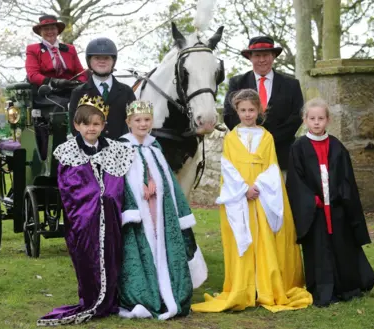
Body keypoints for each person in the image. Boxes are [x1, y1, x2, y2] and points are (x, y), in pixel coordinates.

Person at [191, 89, 312, 314]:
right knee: (243, 238)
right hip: (240, 194)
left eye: (252, 110)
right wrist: (244, 189)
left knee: (263, 238)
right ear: (236, 111)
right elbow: (227, 167)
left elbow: (272, 166)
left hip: (262, 194)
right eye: (243, 110)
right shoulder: (231, 138)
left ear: (259, 110)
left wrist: (258, 187)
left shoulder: (266, 137)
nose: (247, 114)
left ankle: (264, 285)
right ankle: (245, 285)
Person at [37, 95, 135, 326]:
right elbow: (71, 187)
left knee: (112, 256)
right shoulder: (69, 151)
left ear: (103, 125)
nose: (91, 128)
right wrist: (96, 196)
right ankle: (92, 299)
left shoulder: (114, 150)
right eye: (86, 124)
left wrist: (108, 196)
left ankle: (110, 300)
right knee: (87, 258)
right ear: (76, 125)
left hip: (110, 218)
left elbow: (119, 181)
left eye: (96, 124)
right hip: (84, 219)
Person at [118, 101, 207, 320]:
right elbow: (119, 181)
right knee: (144, 249)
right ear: (129, 122)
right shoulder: (121, 147)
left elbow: (167, 179)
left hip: (159, 210)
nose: (142, 124)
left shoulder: (155, 147)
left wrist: (157, 185)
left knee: (161, 246)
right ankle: (147, 294)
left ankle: (166, 290)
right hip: (138, 212)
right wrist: (140, 189)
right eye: (137, 120)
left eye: (147, 120)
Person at [286, 98, 374, 307]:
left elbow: (347, 178)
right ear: (305, 120)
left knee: (341, 247)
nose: (316, 122)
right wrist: (312, 200)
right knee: (319, 251)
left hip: (337, 209)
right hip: (315, 210)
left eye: (320, 118)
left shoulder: (336, 146)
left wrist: (339, 197)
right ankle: (323, 292)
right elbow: (296, 181)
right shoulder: (298, 148)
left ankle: (347, 288)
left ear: (328, 120)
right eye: (312, 118)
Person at [222, 36, 303, 177]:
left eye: (266, 55)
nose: (261, 60)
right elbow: (229, 115)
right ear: (250, 58)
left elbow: (297, 117)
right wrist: (252, 137)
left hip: (280, 157)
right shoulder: (237, 83)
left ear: (273, 56)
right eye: (257, 55)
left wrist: (268, 139)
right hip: (245, 158)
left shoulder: (291, 85)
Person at [68, 37, 136, 140]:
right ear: (89, 61)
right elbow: (75, 127)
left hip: (122, 150)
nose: (102, 61)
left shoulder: (127, 91)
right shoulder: (79, 92)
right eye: (97, 58)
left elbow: (135, 121)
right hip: (90, 150)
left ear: (113, 61)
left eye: (106, 58)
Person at [25, 15, 87, 109]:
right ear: (40, 32)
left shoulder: (70, 49)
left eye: (53, 28)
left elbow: (80, 71)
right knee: (64, 104)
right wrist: (54, 82)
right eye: (46, 29)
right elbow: (33, 75)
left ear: (57, 31)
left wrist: (78, 83)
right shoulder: (33, 49)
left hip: (70, 90)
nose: (50, 32)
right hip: (47, 92)